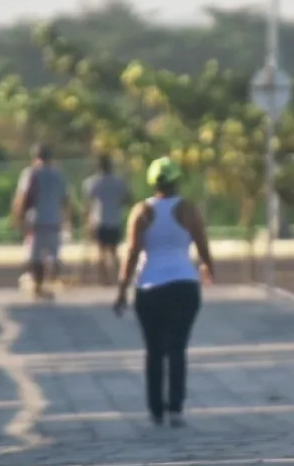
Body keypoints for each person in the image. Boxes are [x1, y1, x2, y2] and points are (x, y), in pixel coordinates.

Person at [113, 156, 214, 428]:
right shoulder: (187, 209)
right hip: (184, 285)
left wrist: (121, 290)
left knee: (154, 350)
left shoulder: (141, 212)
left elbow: (132, 253)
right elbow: (201, 242)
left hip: (149, 287)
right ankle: (176, 409)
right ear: (177, 180)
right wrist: (207, 267)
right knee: (177, 348)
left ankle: (156, 410)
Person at [11, 144, 70, 299]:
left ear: (35, 157)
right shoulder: (58, 174)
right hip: (54, 220)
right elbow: (66, 198)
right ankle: (51, 282)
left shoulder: (31, 173)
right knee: (54, 254)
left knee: (35, 256)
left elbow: (23, 197)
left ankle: (39, 285)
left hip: (36, 220)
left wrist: (18, 216)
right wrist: (68, 218)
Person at [83, 154, 131, 285]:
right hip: (114, 219)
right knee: (114, 252)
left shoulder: (92, 182)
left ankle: (104, 279)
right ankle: (117, 277)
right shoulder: (119, 182)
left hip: (99, 220)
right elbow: (127, 198)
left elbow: (89, 202)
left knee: (101, 251)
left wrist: (87, 219)